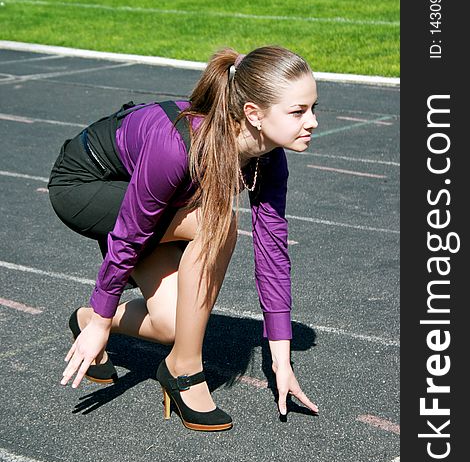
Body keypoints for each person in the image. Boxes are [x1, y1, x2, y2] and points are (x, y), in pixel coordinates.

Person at [48, 45, 319, 432]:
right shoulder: (177, 145)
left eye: (313, 108)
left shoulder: (268, 155)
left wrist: (281, 359)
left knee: (171, 325)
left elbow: (273, 252)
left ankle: (84, 318)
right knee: (217, 221)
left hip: (161, 203)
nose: (311, 122)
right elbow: (129, 233)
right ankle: (183, 369)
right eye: (298, 111)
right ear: (254, 115)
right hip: (88, 186)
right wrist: (106, 315)